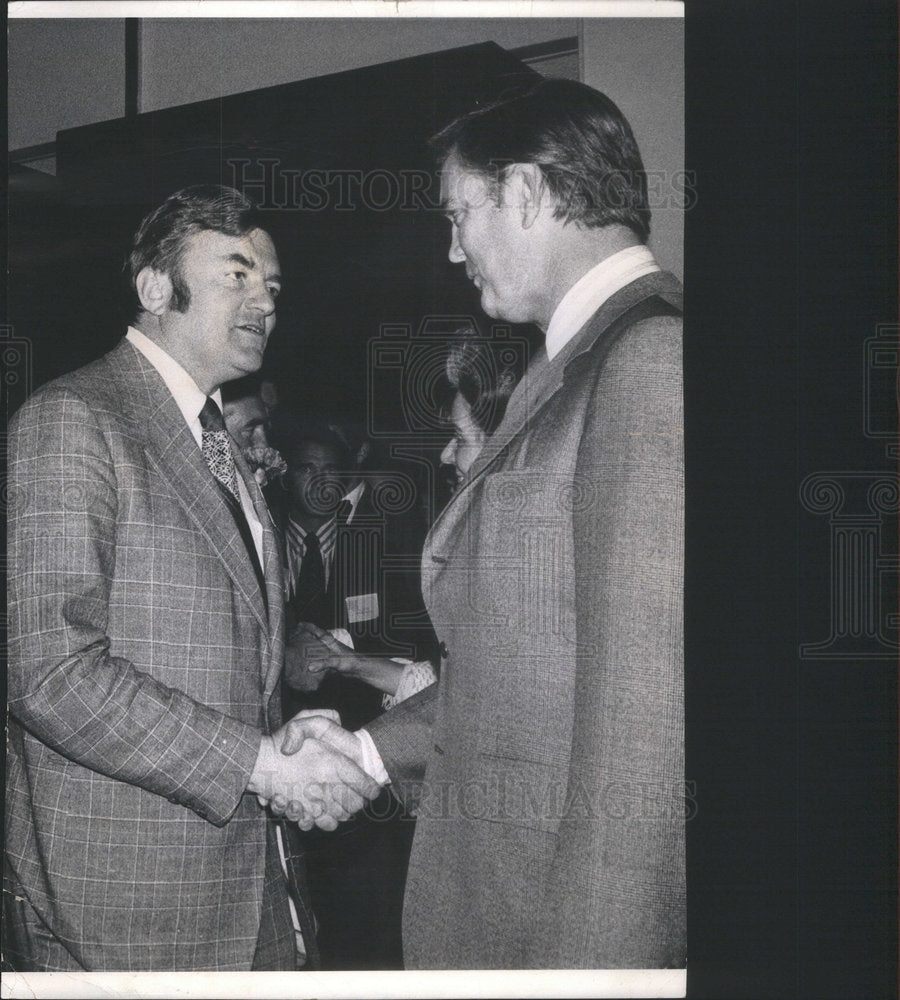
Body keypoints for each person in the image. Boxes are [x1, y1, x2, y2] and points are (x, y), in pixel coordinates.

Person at [282, 78, 686, 970]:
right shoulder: (575, 365)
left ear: (529, 193)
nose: (454, 248)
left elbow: (645, 738)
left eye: (460, 214)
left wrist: (592, 974)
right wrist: (368, 751)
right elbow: (526, 676)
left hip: (558, 932)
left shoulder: (649, 362)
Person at [5, 185, 379, 972]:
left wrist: (281, 735)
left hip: (253, 893)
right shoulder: (71, 420)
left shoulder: (220, 442)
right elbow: (48, 672)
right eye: (237, 274)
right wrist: (260, 765)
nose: (264, 301)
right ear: (154, 288)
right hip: (122, 915)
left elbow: (231, 658)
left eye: (272, 286)